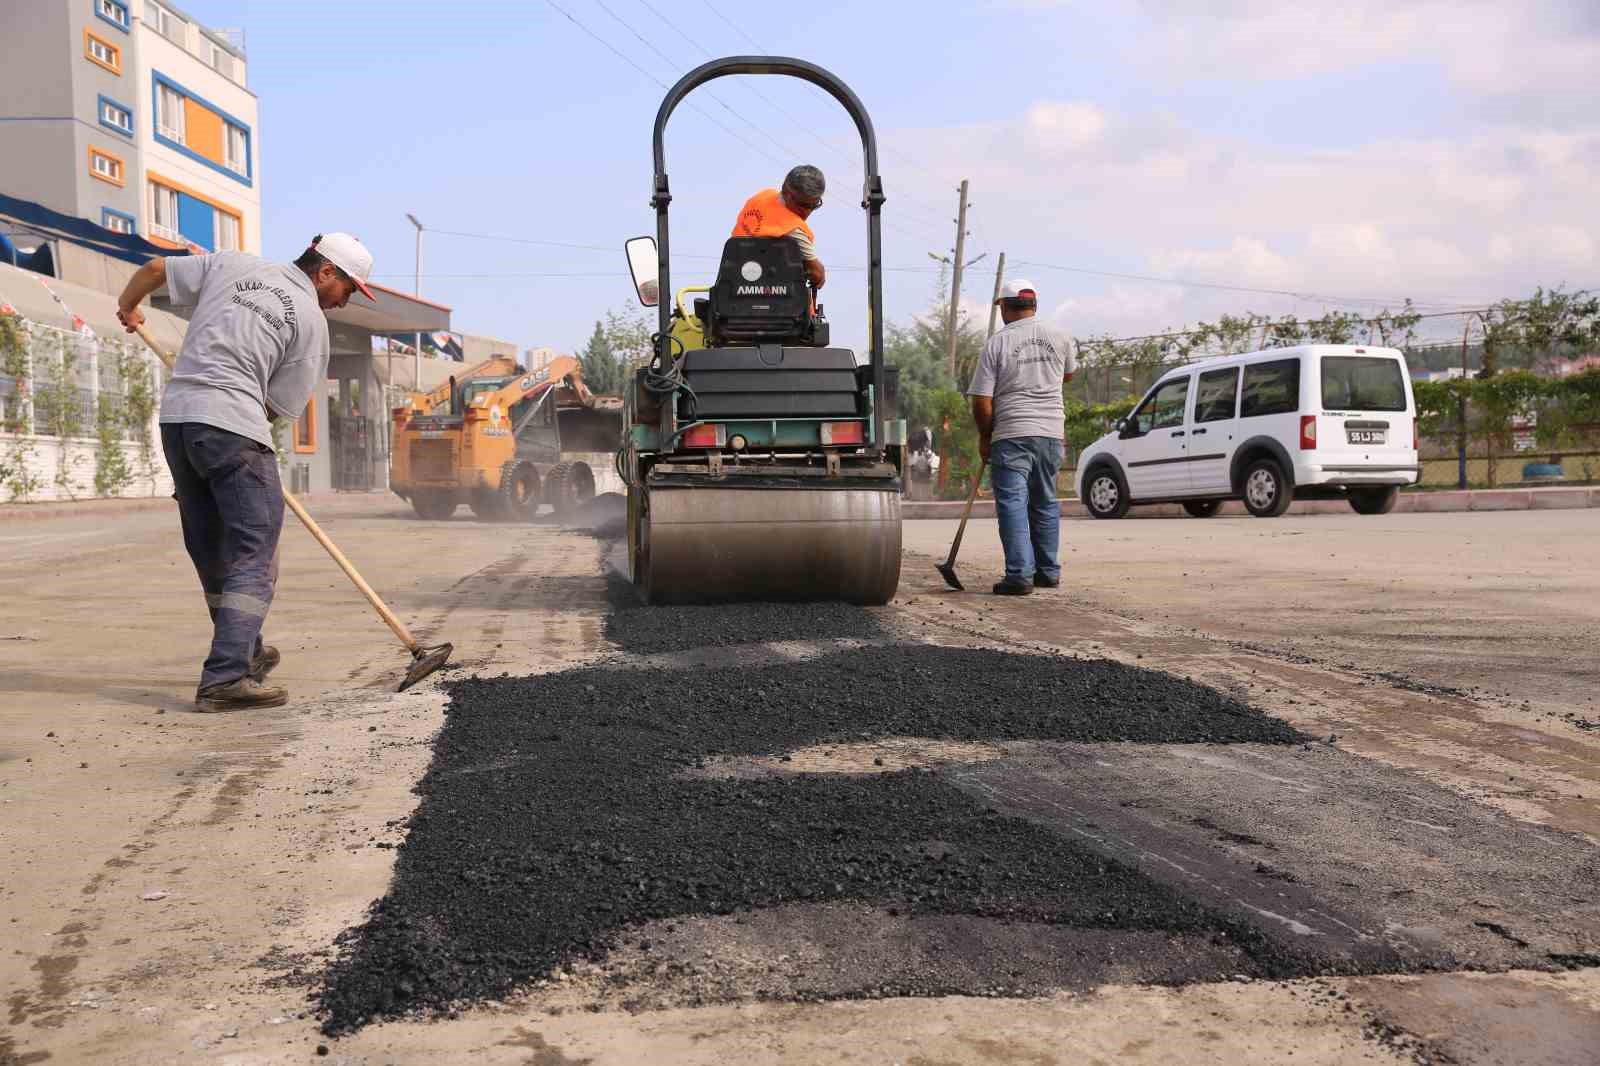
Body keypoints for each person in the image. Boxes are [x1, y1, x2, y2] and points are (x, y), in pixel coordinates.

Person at [115, 234, 375, 710]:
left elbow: (154, 271)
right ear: (325, 273)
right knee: (255, 553)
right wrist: (241, 442)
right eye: (350, 289)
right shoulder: (312, 324)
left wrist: (128, 307)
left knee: (213, 549)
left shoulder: (233, 265)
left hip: (179, 423)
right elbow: (276, 408)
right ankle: (225, 679)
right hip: (233, 424)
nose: (346, 300)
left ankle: (245, 650)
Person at [966, 279, 1077, 596]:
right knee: (1044, 502)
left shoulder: (996, 344)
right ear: (1034, 305)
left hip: (1012, 433)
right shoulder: (1061, 337)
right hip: (1051, 433)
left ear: (1003, 307)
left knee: (1013, 505)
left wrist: (985, 437)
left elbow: (981, 401)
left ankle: (1018, 576)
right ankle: (1048, 572)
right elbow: (1068, 374)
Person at [732, 165, 826, 292]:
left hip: (734, 291)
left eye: (814, 205)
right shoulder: (795, 229)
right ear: (787, 194)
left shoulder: (760, 197)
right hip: (779, 302)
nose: (808, 212)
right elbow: (817, 274)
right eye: (803, 205)